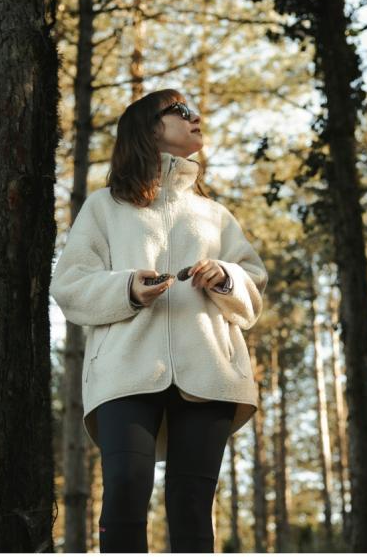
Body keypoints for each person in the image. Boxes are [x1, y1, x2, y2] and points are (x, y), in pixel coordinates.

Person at [51, 89, 268, 553]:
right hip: (124, 372)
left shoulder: (216, 215)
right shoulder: (104, 207)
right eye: (182, 112)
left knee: (192, 504)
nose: (197, 118)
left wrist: (225, 277)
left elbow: (252, 293)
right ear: (150, 127)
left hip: (210, 373)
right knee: (126, 488)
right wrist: (127, 288)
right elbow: (70, 286)